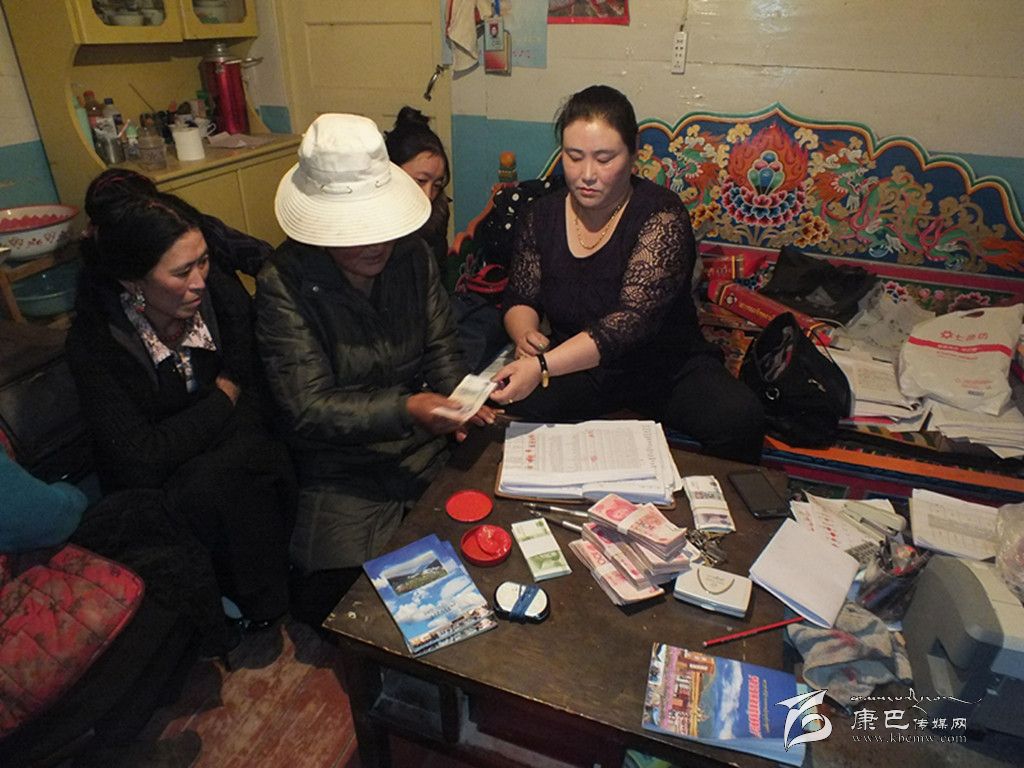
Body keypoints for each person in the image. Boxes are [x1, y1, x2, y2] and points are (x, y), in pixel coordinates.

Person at [256, 113, 495, 626]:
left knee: (483, 550)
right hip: (342, 469)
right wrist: (408, 408)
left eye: (381, 226)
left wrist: (460, 399)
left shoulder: (413, 256)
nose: (375, 243)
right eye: (354, 231)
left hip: (422, 444)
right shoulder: (284, 281)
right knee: (344, 610)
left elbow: (441, 346)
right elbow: (308, 407)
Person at [492, 85, 765, 464]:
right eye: (574, 157)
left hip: (664, 366)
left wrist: (541, 366)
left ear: (633, 154)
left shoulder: (661, 214)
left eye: (605, 159)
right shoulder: (542, 215)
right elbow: (521, 295)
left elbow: (631, 322)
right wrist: (526, 335)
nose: (587, 174)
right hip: (579, 363)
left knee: (740, 417)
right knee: (504, 405)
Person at [66, 185, 295, 631]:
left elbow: (251, 381)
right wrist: (222, 398)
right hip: (158, 484)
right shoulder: (97, 342)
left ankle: (261, 598)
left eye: (203, 261)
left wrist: (217, 409)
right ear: (133, 281)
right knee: (210, 483)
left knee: (247, 461)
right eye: (181, 271)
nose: (199, 281)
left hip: (224, 453)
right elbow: (138, 457)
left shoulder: (218, 296)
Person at [384, 106, 451, 266]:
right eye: (420, 181)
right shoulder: (372, 220)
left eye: (437, 184)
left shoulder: (437, 214)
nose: (428, 195)